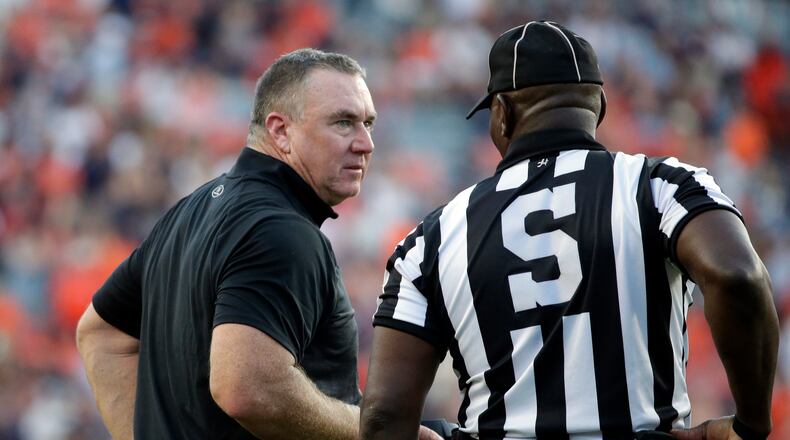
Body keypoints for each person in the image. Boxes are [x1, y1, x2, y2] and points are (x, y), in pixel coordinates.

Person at [360, 21, 779, 440]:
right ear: (600, 106)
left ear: (502, 113)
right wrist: (751, 424)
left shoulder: (431, 239)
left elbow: (382, 417)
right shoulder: (660, 186)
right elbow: (737, 274)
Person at [75, 48, 441, 440]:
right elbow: (246, 389)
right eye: (343, 123)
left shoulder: (189, 211)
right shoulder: (281, 230)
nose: (366, 144)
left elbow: (101, 333)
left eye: (368, 123)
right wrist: (379, 433)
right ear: (280, 131)